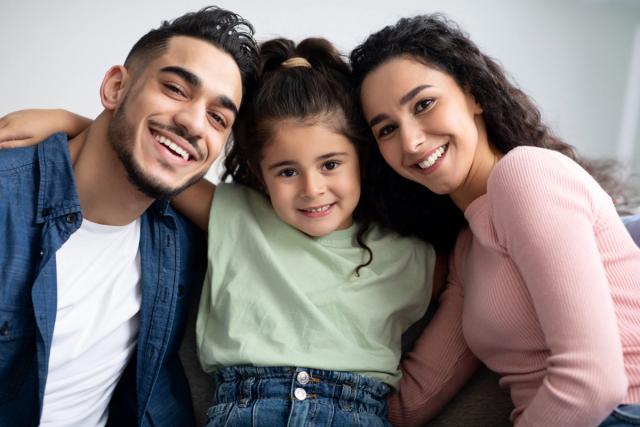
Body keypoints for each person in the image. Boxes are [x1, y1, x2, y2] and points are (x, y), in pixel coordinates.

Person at [0, 37, 446, 426]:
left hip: (355, 411)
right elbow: (156, 162)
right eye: (287, 171)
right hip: (248, 408)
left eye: (331, 164)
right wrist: (73, 123)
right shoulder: (237, 217)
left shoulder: (410, 256)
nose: (313, 190)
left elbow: (478, 270)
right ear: (259, 173)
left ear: (362, 160)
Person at [349, 13, 640, 427]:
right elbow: (409, 404)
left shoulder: (526, 174)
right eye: (386, 129)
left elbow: (593, 381)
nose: (411, 141)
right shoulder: (468, 250)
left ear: (473, 95)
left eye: (424, 104)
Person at [0, 6, 258, 427]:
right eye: (176, 89)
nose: (194, 123)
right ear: (116, 87)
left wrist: (76, 122)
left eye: (218, 118)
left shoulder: (180, 239)